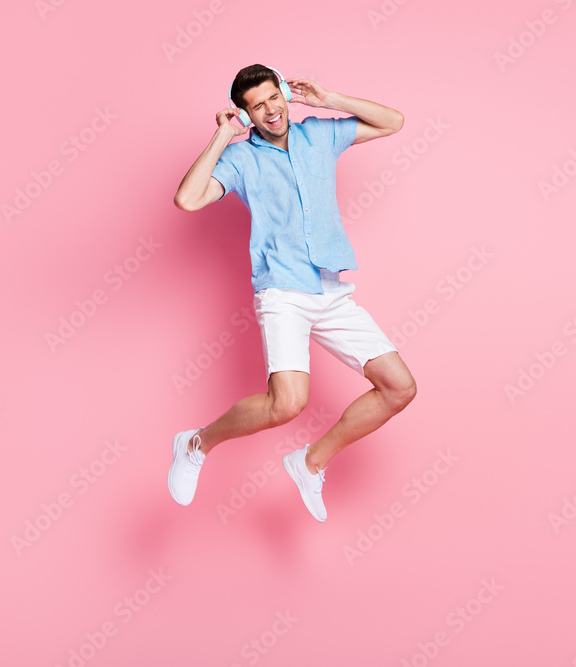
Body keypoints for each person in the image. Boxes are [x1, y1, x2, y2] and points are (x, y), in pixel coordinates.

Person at [169, 63, 416, 522]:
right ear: (245, 114)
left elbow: (393, 121)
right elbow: (188, 199)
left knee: (399, 388)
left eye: (273, 97)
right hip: (282, 289)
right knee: (287, 403)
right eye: (256, 106)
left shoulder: (318, 136)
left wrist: (330, 100)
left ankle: (310, 462)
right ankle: (196, 442)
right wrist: (224, 136)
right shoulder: (242, 159)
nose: (270, 110)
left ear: (285, 94)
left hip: (329, 289)